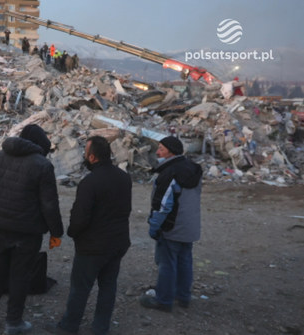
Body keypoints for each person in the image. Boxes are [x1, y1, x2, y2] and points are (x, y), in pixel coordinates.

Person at [0, 124, 64, 335]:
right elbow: (49, 204)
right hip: (27, 233)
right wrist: (56, 232)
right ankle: (13, 322)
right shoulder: (42, 165)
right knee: (20, 276)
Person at [46, 136, 132, 335]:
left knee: (80, 288)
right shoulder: (123, 177)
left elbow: (80, 217)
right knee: (108, 287)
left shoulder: (90, 182)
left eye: (86, 153)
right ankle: (100, 327)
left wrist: (72, 233)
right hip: (117, 243)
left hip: (93, 246)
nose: (84, 156)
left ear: (92, 157)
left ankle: (69, 326)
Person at [139, 136, 202, 312]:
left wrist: (154, 226)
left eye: (161, 148)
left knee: (167, 263)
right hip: (189, 226)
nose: (157, 152)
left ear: (171, 151)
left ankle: (164, 300)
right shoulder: (194, 169)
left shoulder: (170, 173)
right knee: (185, 260)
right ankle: (183, 297)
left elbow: (163, 205)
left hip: (172, 226)